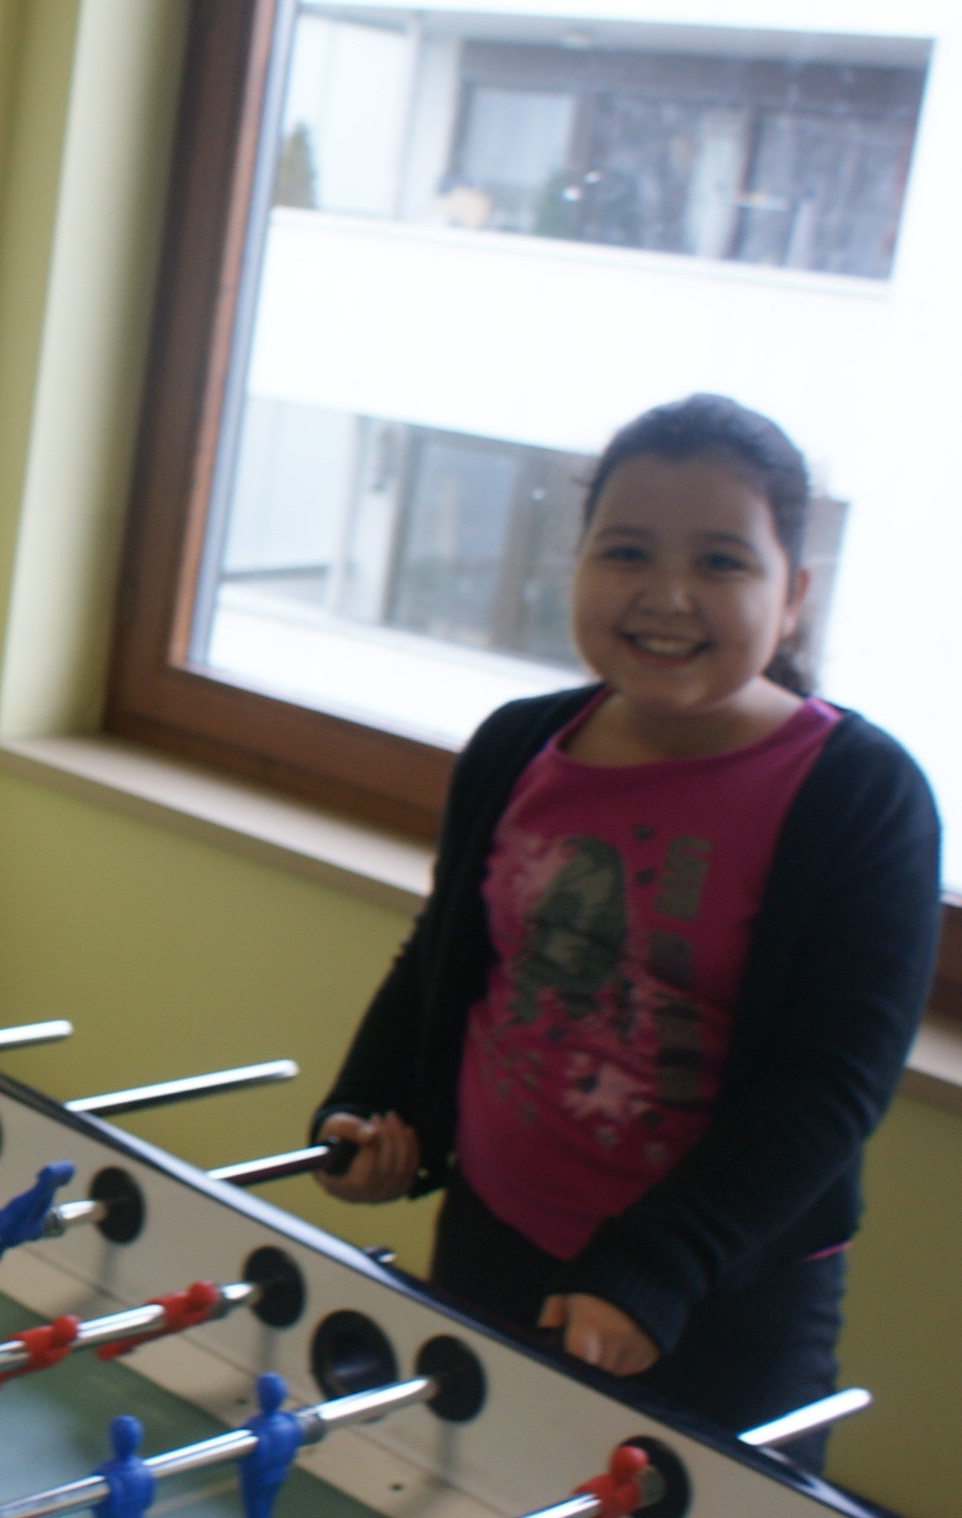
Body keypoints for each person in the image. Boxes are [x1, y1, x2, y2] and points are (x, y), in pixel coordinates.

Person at [312, 394, 940, 1470]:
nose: (666, 595)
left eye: (721, 562)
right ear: (579, 565)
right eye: (627, 551)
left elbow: (831, 1087)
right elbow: (441, 963)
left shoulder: (861, 795)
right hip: (493, 1239)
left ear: (793, 596)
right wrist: (370, 1106)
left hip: (719, 1293)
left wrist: (655, 1266)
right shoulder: (517, 746)